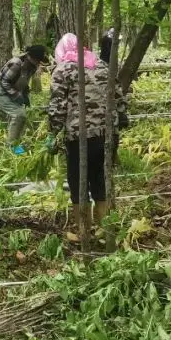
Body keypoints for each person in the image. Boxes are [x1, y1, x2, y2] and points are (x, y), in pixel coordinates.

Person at [46, 33, 127, 230]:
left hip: (79, 136)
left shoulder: (63, 69)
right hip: (108, 134)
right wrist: (122, 120)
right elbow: (119, 97)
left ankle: (84, 232)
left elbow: (58, 105)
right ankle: (105, 231)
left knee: (79, 184)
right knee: (101, 181)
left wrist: (52, 132)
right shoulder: (102, 66)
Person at [0, 44, 50, 155]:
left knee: (22, 118)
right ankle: (11, 147)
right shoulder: (16, 63)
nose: (38, 64)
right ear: (31, 57)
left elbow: (23, 82)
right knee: (19, 114)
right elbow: (4, 82)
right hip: (0, 94)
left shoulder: (31, 67)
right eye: (37, 61)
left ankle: (17, 144)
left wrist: (25, 95)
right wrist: (17, 96)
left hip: (13, 92)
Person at [97, 28, 127, 164]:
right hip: (103, 116)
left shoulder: (106, 64)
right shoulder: (105, 66)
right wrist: (121, 112)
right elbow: (117, 91)